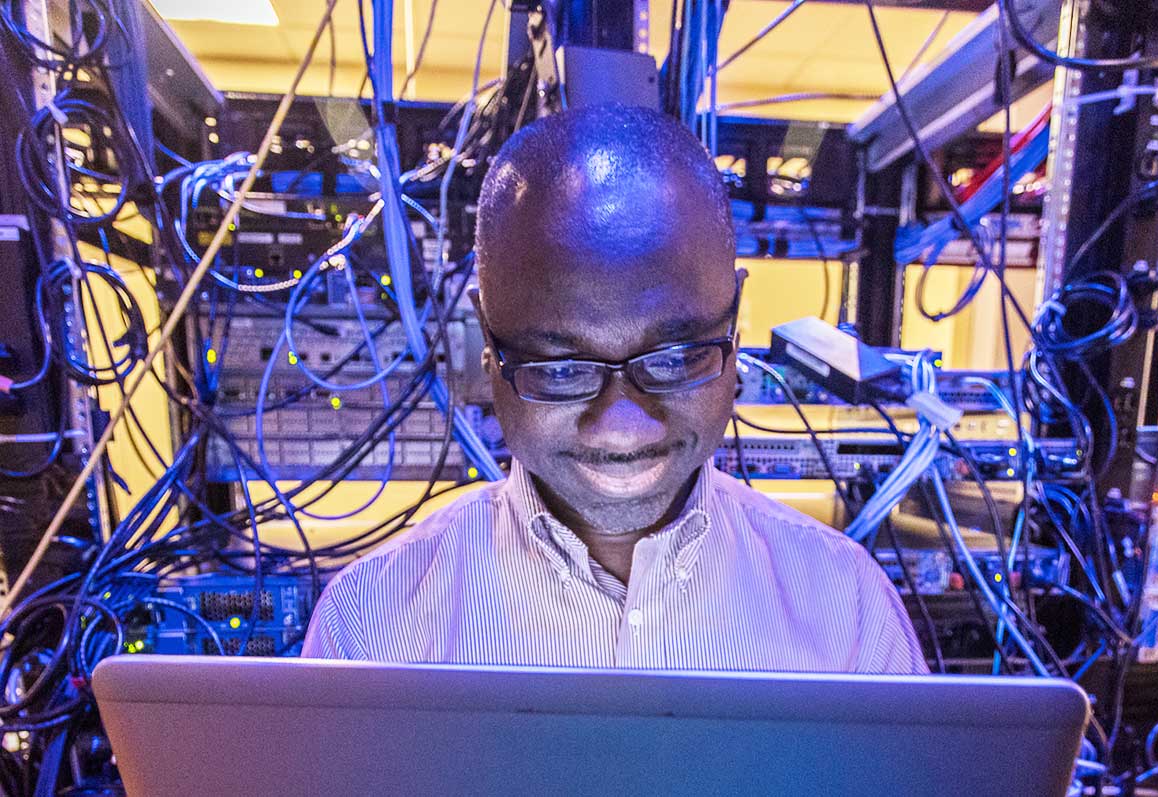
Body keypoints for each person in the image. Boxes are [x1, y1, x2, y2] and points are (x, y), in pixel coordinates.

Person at [302, 104, 928, 674]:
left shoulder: (848, 612)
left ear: (735, 326)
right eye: (561, 368)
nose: (623, 424)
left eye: (677, 356)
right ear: (487, 346)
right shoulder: (370, 625)